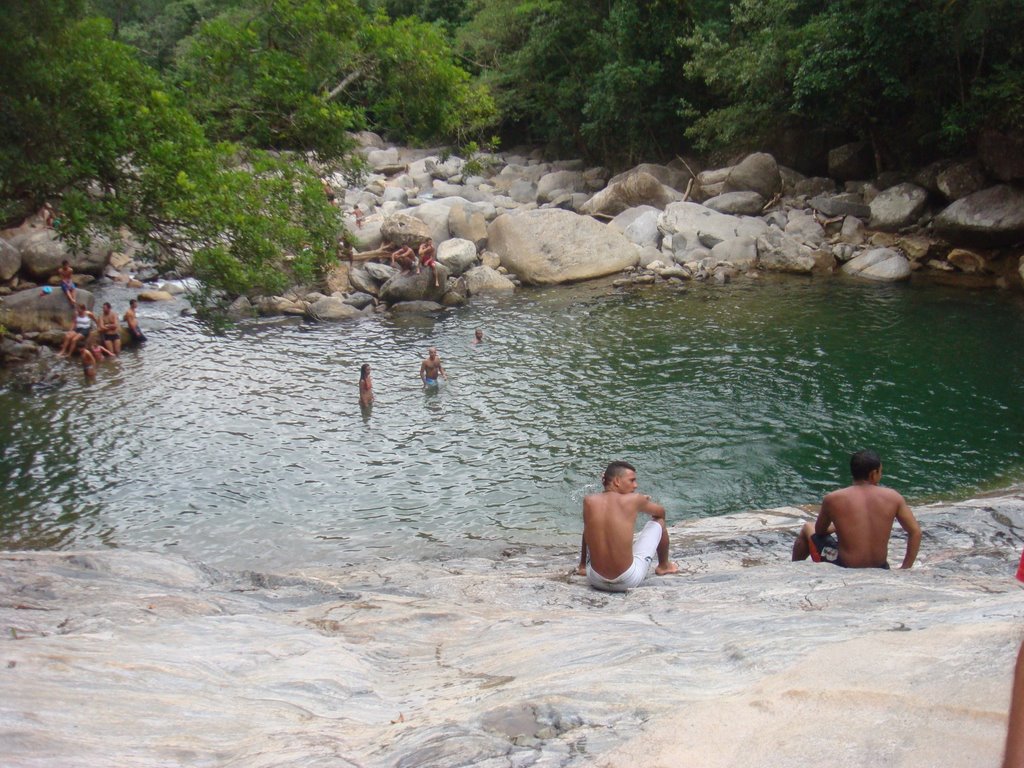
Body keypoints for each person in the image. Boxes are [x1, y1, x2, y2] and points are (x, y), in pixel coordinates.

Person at [792, 450, 921, 569]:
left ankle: (794, 570)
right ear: (873, 474)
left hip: (843, 566)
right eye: (881, 471)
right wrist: (905, 567)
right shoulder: (894, 497)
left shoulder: (833, 498)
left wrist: (838, 526)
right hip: (881, 566)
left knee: (808, 528)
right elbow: (915, 532)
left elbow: (820, 531)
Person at [577, 461, 680, 591]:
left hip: (595, 579)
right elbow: (660, 512)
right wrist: (641, 502)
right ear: (617, 481)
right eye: (632, 480)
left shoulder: (589, 501)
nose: (635, 485)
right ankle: (664, 566)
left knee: (591, 526)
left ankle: (581, 567)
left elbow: (587, 533)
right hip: (627, 580)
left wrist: (582, 566)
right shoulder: (635, 499)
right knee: (659, 522)